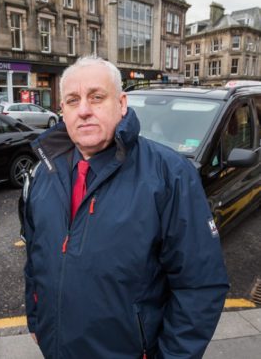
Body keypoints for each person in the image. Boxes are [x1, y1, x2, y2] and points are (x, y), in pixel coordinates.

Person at [22, 56, 229, 359]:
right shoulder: (45, 171)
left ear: (121, 103)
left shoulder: (169, 174)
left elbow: (200, 285)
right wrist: (36, 318)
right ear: (62, 111)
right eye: (72, 100)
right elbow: (35, 258)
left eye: (96, 97)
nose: (84, 110)